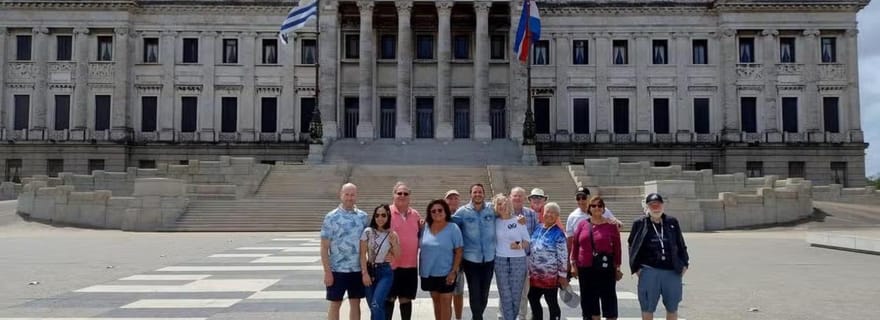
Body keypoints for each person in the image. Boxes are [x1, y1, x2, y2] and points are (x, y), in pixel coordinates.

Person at [628, 193, 690, 320]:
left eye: (658, 204)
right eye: (652, 205)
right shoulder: (639, 223)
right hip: (649, 270)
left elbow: (681, 244)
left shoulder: (672, 222)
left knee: (672, 308)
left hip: (672, 271)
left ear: (663, 205)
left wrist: (685, 264)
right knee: (647, 308)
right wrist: (637, 268)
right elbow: (632, 245)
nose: (655, 207)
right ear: (647, 207)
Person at [321, 183, 369, 320]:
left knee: (356, 303)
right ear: (341, 195)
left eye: (352, 194)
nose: (349, 198)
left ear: (356, 196)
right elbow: (324, 247)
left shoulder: (363, 217)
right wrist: (327, 272)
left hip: (356, 269)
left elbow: (368, 243)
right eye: (347, 194)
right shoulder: (331, 217)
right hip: (337, 269)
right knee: (335, 303)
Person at [570, 195, 622, 320]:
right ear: (589, 208)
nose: (597, 208)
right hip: (586, 267)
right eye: (593, 206)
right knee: (589, 299)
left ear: (604, 209)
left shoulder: (611, 226)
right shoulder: (582, 224)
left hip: (605, 267)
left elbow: (617, 248)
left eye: (600, 205)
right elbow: (575, 244)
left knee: (608, 298)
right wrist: (573, 264)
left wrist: (618, 267)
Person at [452, 183, 496, 320]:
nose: (478, 194)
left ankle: (477, 316)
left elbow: (506, 216)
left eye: (480, 192)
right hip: (471, 260)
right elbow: (450, 225)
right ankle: (477, 317)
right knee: (474, 292)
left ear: (484, 194)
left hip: (489, 259)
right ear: (470, 194)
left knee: (484, 294)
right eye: (475, 192)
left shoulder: (492, 209)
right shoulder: (463, 212)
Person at [420, 199, 464, 320]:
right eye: (433, 211)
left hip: (447, 273)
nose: (437, 212)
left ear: (445, 211)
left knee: (446, 301)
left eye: (440, 210)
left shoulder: (453, 228)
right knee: (436, 302)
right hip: (428, 273)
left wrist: (454, 271)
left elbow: (459, 251)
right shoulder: (424, 227)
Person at [527, 202, 568, 320]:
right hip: (534, 276)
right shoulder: (538, 227)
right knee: (533, 299)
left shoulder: (558, 233)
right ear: (543, 214)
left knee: (552, 302)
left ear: (557, 216)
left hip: (550, 276)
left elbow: (563, 256)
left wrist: (562, 275)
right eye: (547, 212)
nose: (549, 215)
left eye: (553, 213)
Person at [387, 182, 422, 320]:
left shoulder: (415, 215)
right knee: (388, 298)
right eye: (399, 193)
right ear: (393, 195)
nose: (402, 196)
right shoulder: (385, 213)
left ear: (409, 197)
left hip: (410, 265)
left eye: (405, 193)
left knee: (406, 300)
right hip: (390, 266)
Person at [493, 194, 530, 320]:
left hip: (518, 261)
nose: (502, 206)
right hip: (500, 261)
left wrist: (518, 245)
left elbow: (527, 241)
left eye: (504, 203)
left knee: (516, 295)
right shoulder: (494, 221)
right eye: (499, 204)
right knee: (505, 295)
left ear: (509, 205)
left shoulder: (519, 220)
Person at [361, 204, 401, 320]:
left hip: (385, 272)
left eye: (383, 215)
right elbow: (362, 254)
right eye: (377, 215)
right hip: (370, 270)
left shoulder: (392, 234)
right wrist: (364, 273)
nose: (380, 218)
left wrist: (393, 243)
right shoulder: (367, 232)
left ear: (388, 216)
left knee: (376, 304)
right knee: (373, 307)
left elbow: (398, 256)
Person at [566, 187, 621, 256]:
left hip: (601, 254)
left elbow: (617, 224)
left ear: (589, 198)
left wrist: (616, 223)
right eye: (578, 198)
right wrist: (570, 260)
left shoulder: (600, 209)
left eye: (583, 198)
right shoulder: (572, 216)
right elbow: (570, 241)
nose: (581, 201)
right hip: (582, 256)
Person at [511, 187, 538, 320]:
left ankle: (521, 315)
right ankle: (504, 314)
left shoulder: (531, 214)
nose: (517, 198)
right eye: (515, 196)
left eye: (520, 196)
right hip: (507, 257)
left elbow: (534, 236)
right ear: (510, 197)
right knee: (506, 288)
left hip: (525, 257)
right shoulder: (504, 213)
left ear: (524, 198)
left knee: (523, 290)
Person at [445, 189, 467, 320]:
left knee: (458, 293)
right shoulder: (439, 215)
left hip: (458, 261)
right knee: (445, 294)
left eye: (455, 198)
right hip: (443, 261)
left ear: (459, 201)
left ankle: (458, 318)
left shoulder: (463, 216)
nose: (453, 200)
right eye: (450, 198)